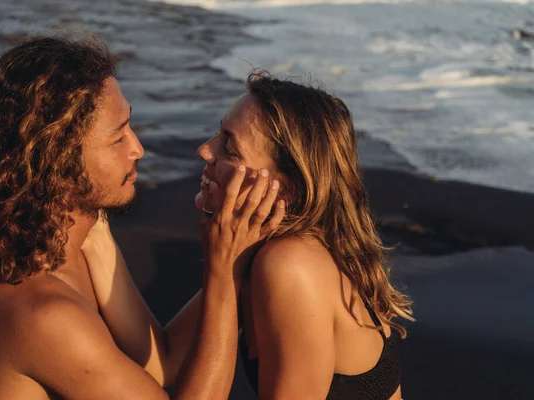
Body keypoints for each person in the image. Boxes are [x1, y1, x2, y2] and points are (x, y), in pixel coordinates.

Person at [0, 36, 285, 399]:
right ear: (56, 161)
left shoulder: (71, 243)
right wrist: (223, 271)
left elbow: (162, 362)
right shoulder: (40, 311)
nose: (138, 149)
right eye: (118, 137)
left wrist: (237, 262)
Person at [90, 71, 414, 399]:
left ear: (283, 189)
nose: (205, 150)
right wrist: (94, 231)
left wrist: (219, 266)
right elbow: (166, 359)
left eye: (229, 148)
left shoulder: (290, 264)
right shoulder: (261, 247)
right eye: (217, 134)